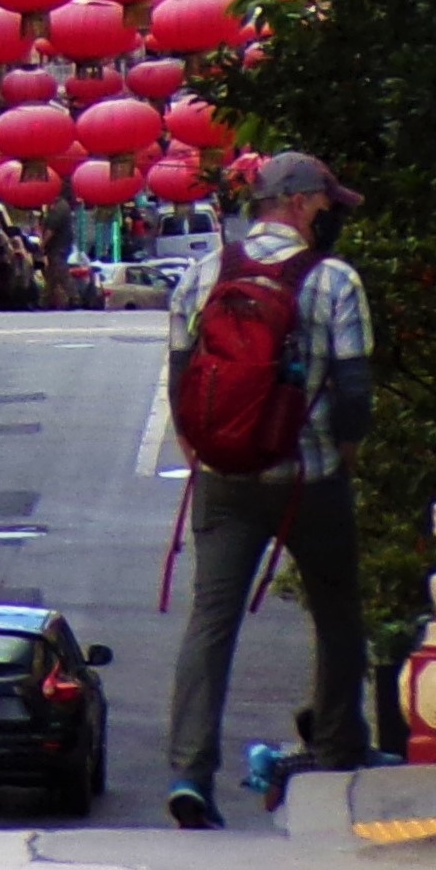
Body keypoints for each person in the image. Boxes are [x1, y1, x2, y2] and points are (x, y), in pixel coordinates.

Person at [161, 151, 374, 829]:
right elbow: (353, 389)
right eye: (324, 202)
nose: (329, 212)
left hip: (224, 479)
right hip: (308, 479)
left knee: (210, 621)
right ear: (300, 200)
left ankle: (192, 773)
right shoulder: (334, 279)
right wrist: (343, 452)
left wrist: (200, 446)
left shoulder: (205, 271)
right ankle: (338, 743)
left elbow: (180, 371)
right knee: (337, 608)